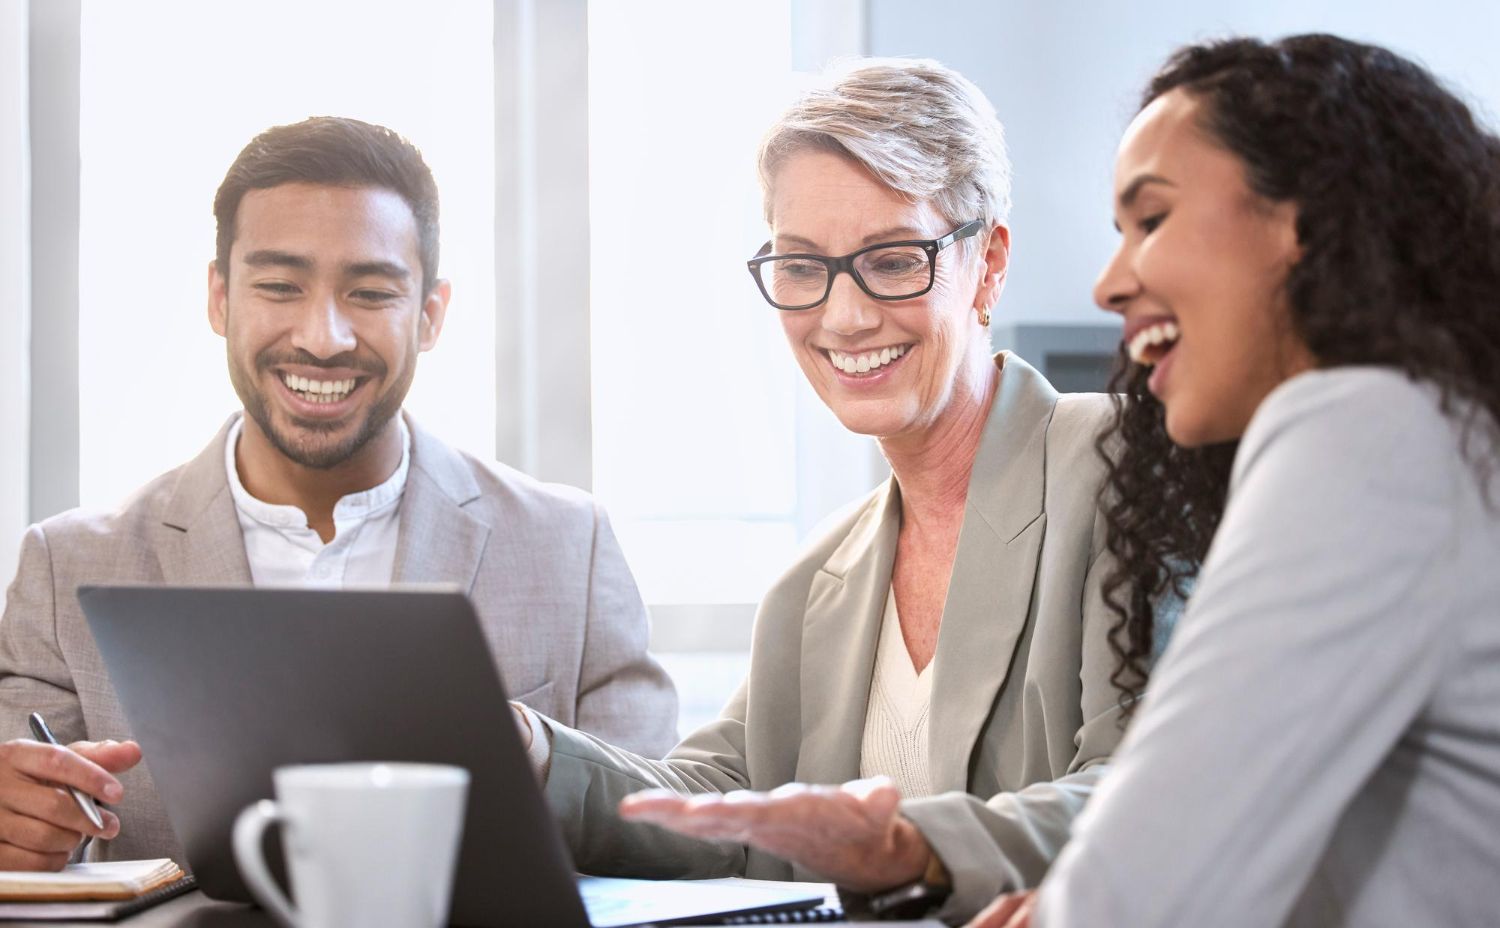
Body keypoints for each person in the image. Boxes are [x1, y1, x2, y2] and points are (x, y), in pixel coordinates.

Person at [512, 59, 1126, 921]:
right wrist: (530, 751)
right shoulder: (814, 585)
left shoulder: (1122, 468)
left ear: (987, 264)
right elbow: (722, 804)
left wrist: (909, 847)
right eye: (802, 268)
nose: (842, 316)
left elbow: (1156, 783)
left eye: (891, 259)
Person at [0, 117, 677, 871]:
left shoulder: (568, 547)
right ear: (220, 297)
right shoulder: (66, 568)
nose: (323, 337)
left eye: (369, 291)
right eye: (280, 287)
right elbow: (29, 862)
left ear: (430, 314)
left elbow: (662, 834)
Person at [966, 33, 1500, 928]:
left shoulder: (1363, 430)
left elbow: (1137, 897)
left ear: (1303, 220)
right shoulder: (1438, 434)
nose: (1107, 284)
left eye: (1152, 220)